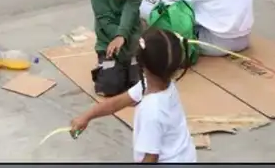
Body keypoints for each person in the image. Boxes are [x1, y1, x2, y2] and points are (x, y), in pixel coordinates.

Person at [69, 26, 198, 164]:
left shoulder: (151, 110)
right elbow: (116, 103)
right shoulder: (161, 84)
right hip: (185, 156)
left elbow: (150, 158)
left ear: (141, 64)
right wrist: (87, 116)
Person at [90, 0, 144, 97]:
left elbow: (130, 12)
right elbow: (106, 23)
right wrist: (118, 38)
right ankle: (111, 68)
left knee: (140, 86)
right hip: (109, 45)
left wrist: (122, 36)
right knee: (109, 87)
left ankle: (128, 67)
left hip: (133, 43)